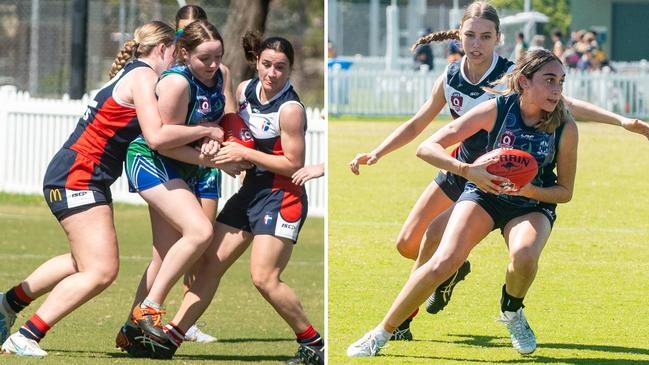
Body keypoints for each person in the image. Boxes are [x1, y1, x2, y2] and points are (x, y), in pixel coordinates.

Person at [349, 0, 649, 342]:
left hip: (504, 175)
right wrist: (377, 152)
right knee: (407, 244)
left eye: (485, 37)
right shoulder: (449, 75)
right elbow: (419, 124)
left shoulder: (514, 75)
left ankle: (402, 321)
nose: (476, 44)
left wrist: (619, 120)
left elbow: (565, 103)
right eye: (470, 36)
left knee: (438, 244)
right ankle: (453, 270)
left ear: (497, 39)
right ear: (459, 36)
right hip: (461, 169)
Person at [0, 21, 224, 357]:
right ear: (162, 50)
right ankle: (26, 336)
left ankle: (7, 303)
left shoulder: (136, 73)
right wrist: (207, 129)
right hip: (78, 174)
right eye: (175, 54)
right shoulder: (144, 77)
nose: (177, 63)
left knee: (82, 262)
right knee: (101, 269)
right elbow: (157, 137)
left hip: (82, 173)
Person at [348, 48, 578, 357]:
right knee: (444, 261)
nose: (557, 89)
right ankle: (380, 333)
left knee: (523, 255)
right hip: (484, 194)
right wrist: (468, 170)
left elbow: (565, 191)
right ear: (524, 82)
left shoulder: (565, 126)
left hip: (532, 203)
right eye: (549, 80)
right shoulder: (497, 109)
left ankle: (512, 311)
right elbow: (426, 147)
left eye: (561, 82)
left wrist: (528, 191)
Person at [116, 20, 244, 359]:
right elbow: (162, 141)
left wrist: (219, 142)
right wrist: (208, 140)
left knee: (164, 254)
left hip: (183, 164)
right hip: (151, 161)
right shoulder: (175, 83)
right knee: (200, 231)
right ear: (183, 54)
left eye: (219, 56)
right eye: (205, 58)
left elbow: (220, 122)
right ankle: (150, 309)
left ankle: (132, 329)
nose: (214, 65)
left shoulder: (220, 75)